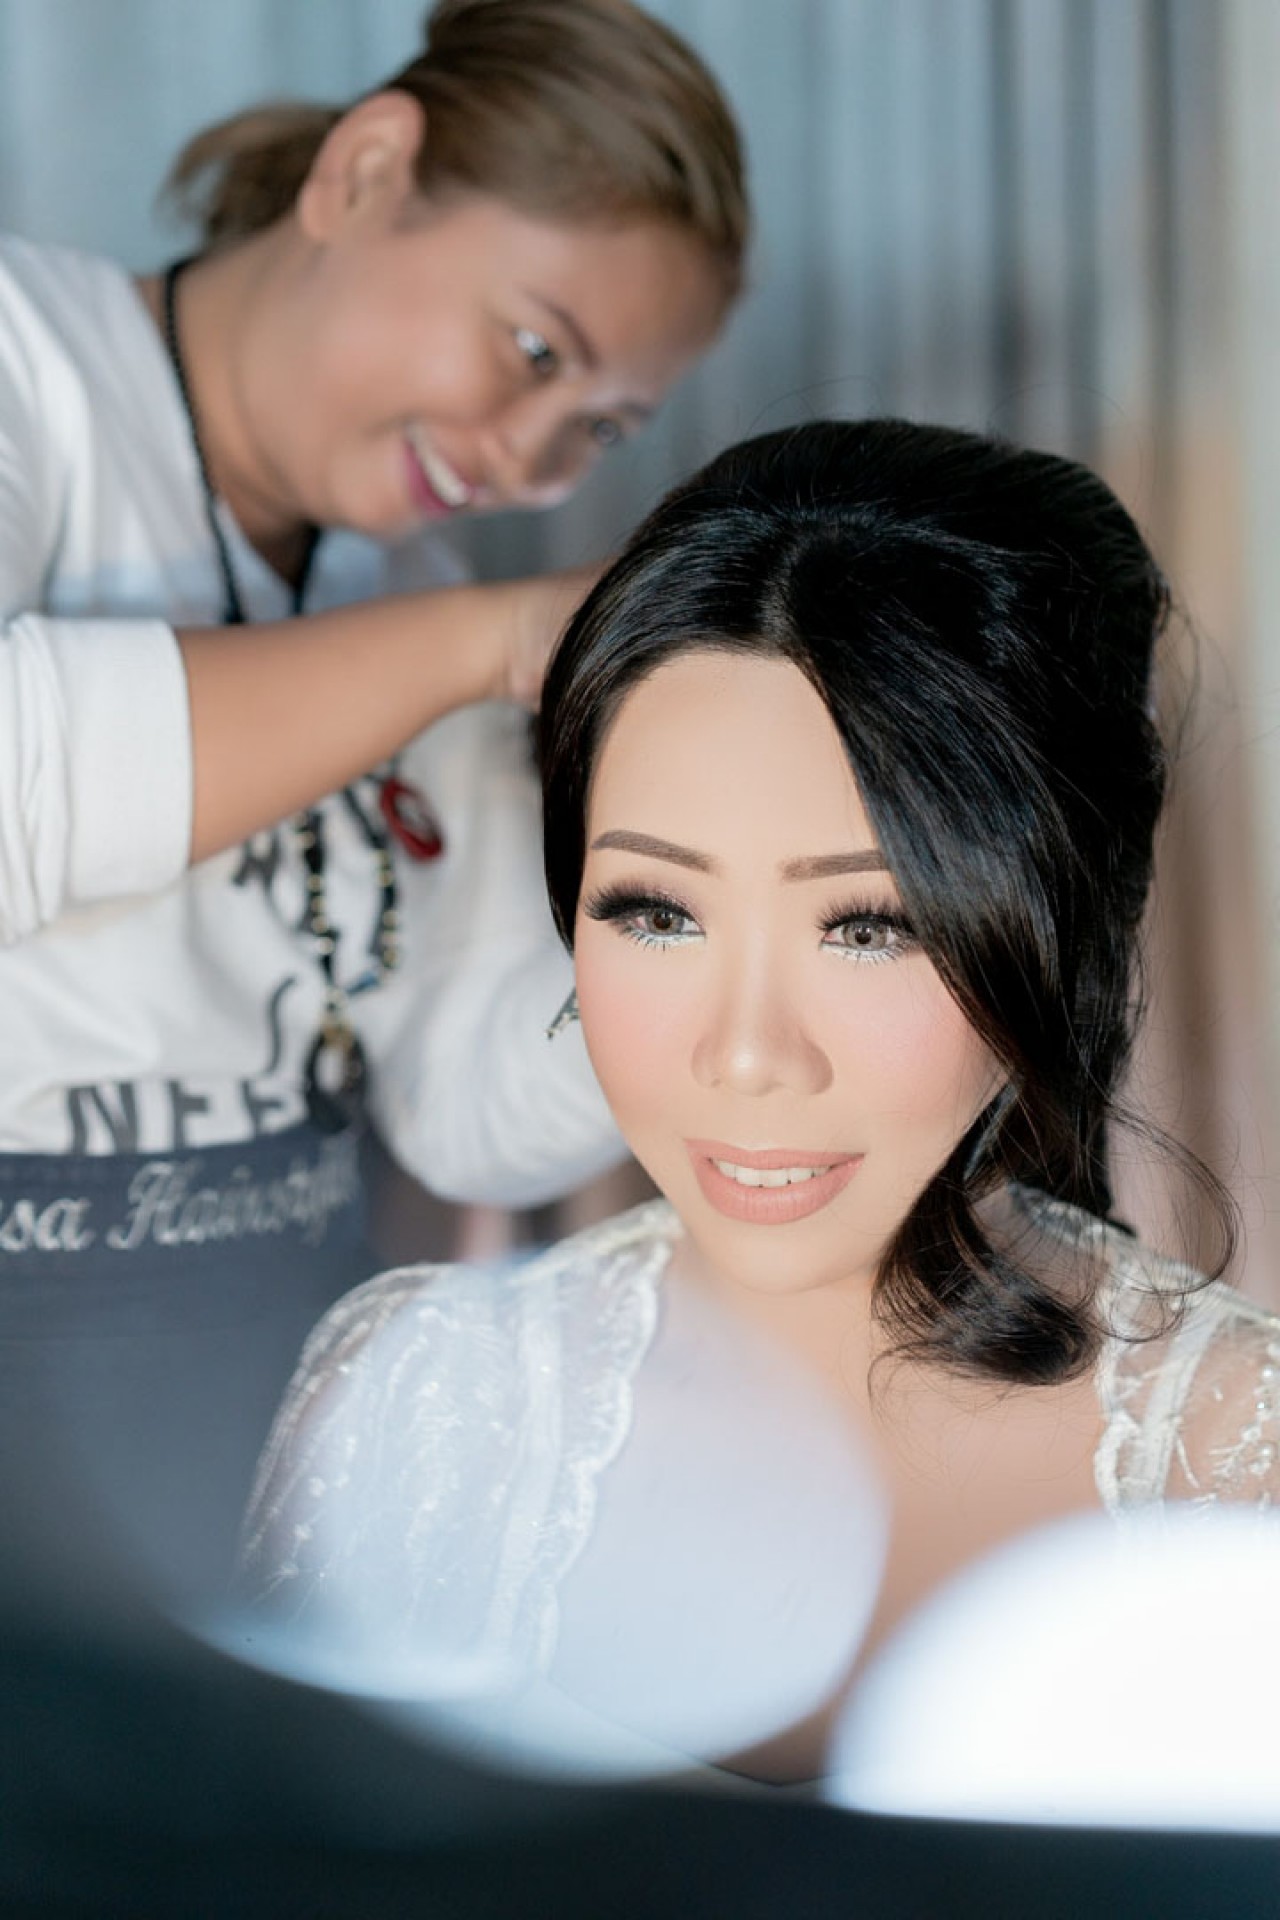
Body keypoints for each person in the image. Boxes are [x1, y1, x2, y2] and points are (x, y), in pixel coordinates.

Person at [236, 418, 1280, 1783]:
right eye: (656, 911)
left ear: (1058, 926)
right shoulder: (416, 1407)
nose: (744, 1055)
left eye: (868, 927)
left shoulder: (1243, 1468)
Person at [0, 0, 748, 1600]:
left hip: (257, 1440)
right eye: (534, 351)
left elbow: (466, 1107)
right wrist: (489, 639)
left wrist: (709, 911)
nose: (537, 463)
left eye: (600, 425)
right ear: (365, 171)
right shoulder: (26, 359)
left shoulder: (412, 586)